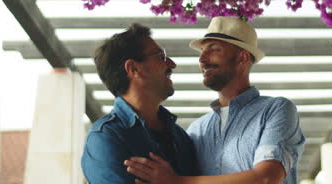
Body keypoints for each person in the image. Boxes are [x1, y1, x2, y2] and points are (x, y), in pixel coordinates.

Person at [124, 16, 305, 184]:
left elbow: (266, 178)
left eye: (214, 49)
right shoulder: (197, 130)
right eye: (202, 51)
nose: (202, 59)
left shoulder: (276, 110)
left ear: (242, 57)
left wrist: (178, 182)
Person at [81, 23, 197, 183]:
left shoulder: (180, 136)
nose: (172, 64)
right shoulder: (105, 138)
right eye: (160, 56)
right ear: (133, 68)